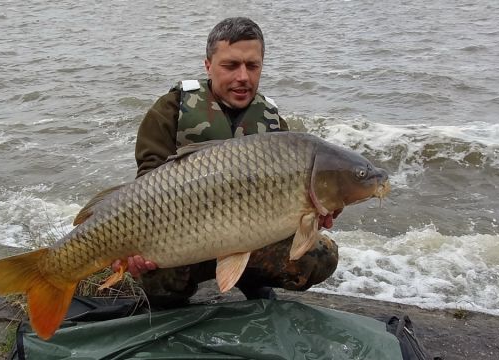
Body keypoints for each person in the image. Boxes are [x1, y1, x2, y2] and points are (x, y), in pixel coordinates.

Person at [113, 17, 341, 306]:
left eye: (252, 66)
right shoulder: (169, 110)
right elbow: (145, 188)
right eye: (231, 65)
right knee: (153, 276)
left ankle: (251, 279)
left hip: (248, 237)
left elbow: (294, 204)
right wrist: (133, 250)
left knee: (320, 256)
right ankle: (173, 300)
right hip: (182, 240)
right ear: (208, 65)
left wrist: (316, 212)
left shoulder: (273, 125)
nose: (243, 77)